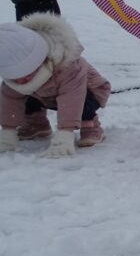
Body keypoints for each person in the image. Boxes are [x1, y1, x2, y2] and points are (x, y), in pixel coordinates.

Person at [0, 14, 110, 157]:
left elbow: (71, 99)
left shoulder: (68, 66)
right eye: (15, 77)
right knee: (20, 94)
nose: (20, 81)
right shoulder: (15, 72)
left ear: (38, 61)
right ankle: (36, 122)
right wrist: (8, 130)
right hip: (45, 95)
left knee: (83, 101)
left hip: (87, 90)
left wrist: (65, 134)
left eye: (26, 75)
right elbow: (10, 99)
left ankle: (90, 124)